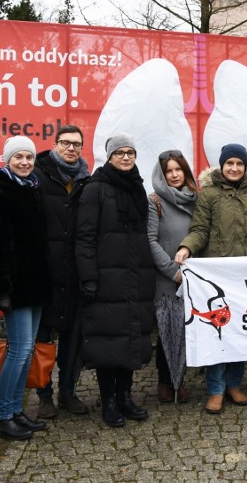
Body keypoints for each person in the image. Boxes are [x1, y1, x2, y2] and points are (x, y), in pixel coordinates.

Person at [174, 143, 247, 415]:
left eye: (239, 164)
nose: (234, 168)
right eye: (229, 164)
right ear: (221, 166)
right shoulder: (209, 194)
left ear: (245, 166)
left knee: (239, 332)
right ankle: (215, 389)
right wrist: (187, 246)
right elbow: (200, 228)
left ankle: (234, 384)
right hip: (218, 277)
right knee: (217, 332)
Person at [75, 133, 155, 428]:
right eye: (119, 152)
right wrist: (89, 278)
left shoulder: (137, 188)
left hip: (135, 276)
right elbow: (84, 238)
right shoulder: (95, 189)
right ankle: (108, 400)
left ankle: (125, 396)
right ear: (108, 157)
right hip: (106, 278)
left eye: (130, 152)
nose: (125, 157)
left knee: (131, 337)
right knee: (107, 341)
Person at [0, 136, 51, 441]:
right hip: (15, 286)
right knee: (18, 350)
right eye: (18, 157)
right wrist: (0, 290)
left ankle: (16, 411)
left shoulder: (33, 187)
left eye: (29, 157)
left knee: (27, 350)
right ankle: (3, 415)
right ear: (7, 160)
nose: (25, 162)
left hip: (35, 284)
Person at [33, 125, 91, 418]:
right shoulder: (37, 175)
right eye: (66, 143)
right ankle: (43, 395)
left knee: (73, 338)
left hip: (75, 273)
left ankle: (68, 391)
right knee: (42, 338)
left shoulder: (86, 181)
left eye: (77, 144)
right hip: (45, 271)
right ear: (55, 144)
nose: (71, 148)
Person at [147, 149, 198, 404]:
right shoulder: (154, 201)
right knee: (168, 331)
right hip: (167, 280)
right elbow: (150, 241)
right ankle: (166, 381)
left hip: (195, 279)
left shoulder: (196, 199)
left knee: (188, 331)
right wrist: (172, 271)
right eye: (169, 171)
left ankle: (182, 380)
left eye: (179, 169)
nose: (175, 174)